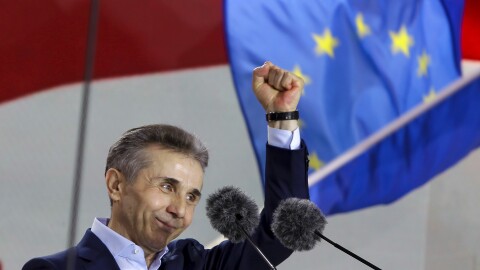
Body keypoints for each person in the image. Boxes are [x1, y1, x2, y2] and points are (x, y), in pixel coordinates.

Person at [23, 61, 310, 270]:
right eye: (166, 186)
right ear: (116, 185)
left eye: (191, 196)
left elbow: (285, 228)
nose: (179, 210)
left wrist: (282, 115)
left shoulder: (197, 265)